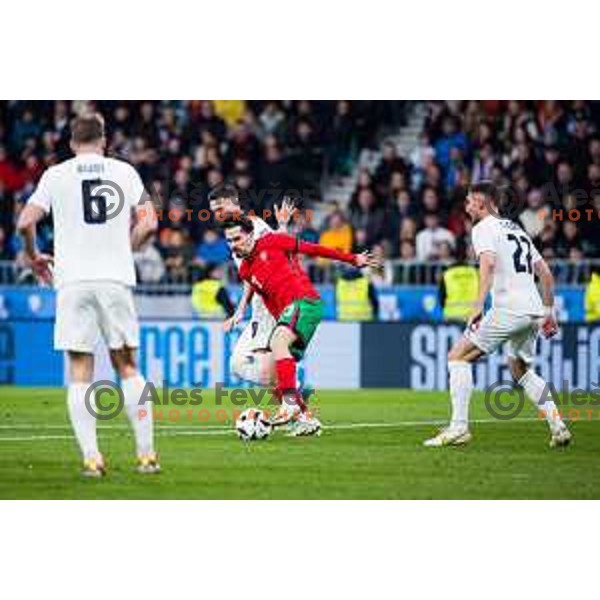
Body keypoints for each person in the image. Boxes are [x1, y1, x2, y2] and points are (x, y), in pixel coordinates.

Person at [16, 113, 159, 477]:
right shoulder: (124, 172)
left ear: (71, 143)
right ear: (104, 140)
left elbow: (24, 222)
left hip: (72, 281)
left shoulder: (55, 175)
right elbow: (149, 221)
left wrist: (34, 257)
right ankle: (146, 456)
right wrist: (125, 249)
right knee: (127, 366)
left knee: (80, 371)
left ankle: (93, 459)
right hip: (113, 279)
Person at [424, 181, 571, 449]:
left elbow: (488, 264)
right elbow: (546, 274)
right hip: (533, 310)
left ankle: (459, 428)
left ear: (481, 202)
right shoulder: (518, 229)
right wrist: (548, 313)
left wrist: (478, 304)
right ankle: (558, 426)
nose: (466, 207)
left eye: (469, 201)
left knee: (457, 357)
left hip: (508, 308)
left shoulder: (482, 228)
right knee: (521, 369)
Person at [222, 216, 378, 436]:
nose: (233, 244)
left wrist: (352, 259)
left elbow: (312, 249)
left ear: (249, 235)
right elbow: (269, 300)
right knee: (268, 373)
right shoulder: (246, 270)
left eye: (237, 238)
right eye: (228, 240)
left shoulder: (272, 241)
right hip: (290, 312)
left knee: (278, 343)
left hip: (305, 301)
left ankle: (289, 405)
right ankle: (306, 419)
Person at [208, 183, 294, 386]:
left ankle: (294, 400)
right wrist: (240, 310)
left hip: (268, 304)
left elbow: (278, 254)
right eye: (214, 211)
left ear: (233, 202)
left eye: (220, 209)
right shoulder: (238, 229)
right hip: (258, 306)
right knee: (238, 365)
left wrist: (282, 227)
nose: (217, 214)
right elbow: (250, 275)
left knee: (265, 371)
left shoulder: (252, 226)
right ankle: (293, 396)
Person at [438, 245, 479, 322]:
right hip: (472, 315)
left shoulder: (447, 273)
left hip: (452, 315)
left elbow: (441, 296)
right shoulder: (475, 272)